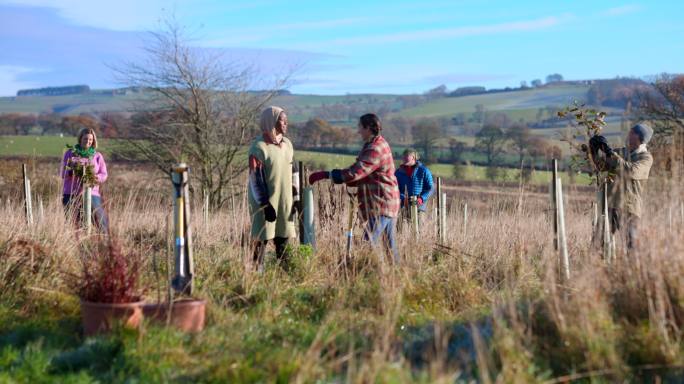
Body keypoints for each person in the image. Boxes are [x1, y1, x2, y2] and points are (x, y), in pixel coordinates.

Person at [308, 113, 401, 263]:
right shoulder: (374, 144)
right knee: (390, 246)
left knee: (367, 242)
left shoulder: (376, 148)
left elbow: (356, 172)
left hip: (382, 203)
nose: (358, 131)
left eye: (360, 127)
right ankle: (395, 276)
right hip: (386, 201)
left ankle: (365, 274)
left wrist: (327, 175)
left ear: (368, 128)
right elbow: (364, 174)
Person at [248, 106, 299, 270]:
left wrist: (296, 198)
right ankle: (257, 274)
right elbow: (256, 179)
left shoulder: (288, 144)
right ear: (271, 122)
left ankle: (285, 274)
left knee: (283, 238)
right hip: (266, 203)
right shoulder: (259, 147)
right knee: (261, 238)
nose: (286, 123)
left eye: (286, 120)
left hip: (284, 201)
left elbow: (294, 171)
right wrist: (265, 204)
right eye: (282, 120)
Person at [590, 122, 654, 249]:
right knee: (596, 246)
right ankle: (597, 268)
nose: (629, 134)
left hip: (629, 208)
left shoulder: (645, 158)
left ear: (640, 138)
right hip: (610, 206)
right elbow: (601, 167)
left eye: (633, 132)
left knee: (631, 247)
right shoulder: (621, 152)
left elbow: (630, 171)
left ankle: (633, 269)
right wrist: (594, 151)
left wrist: (610, 153)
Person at [60, 127, 109, 232]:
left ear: (93, 141)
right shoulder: (70, 153)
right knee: (74, 224)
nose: (88, 141)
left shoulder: (97, 156)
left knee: (101, 222)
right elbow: (62, 173)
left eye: (90, 140)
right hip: (71, 193)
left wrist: (95, 178)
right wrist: (72, 172)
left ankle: (103, 244)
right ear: (80, 139)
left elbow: (104, 174)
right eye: (85, 139)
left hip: (92, 193)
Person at [395, 148, 434, 222]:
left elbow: (430, 188)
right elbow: (395, 188)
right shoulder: (398, 172)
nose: (404, 158)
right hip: (402, 206)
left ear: (413, 157)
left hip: (419, 206)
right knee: (399, 230)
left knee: (417, 231)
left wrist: (421, 199)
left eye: (406, 156)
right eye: (403, 156)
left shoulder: (424, 170)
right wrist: (403, 198)